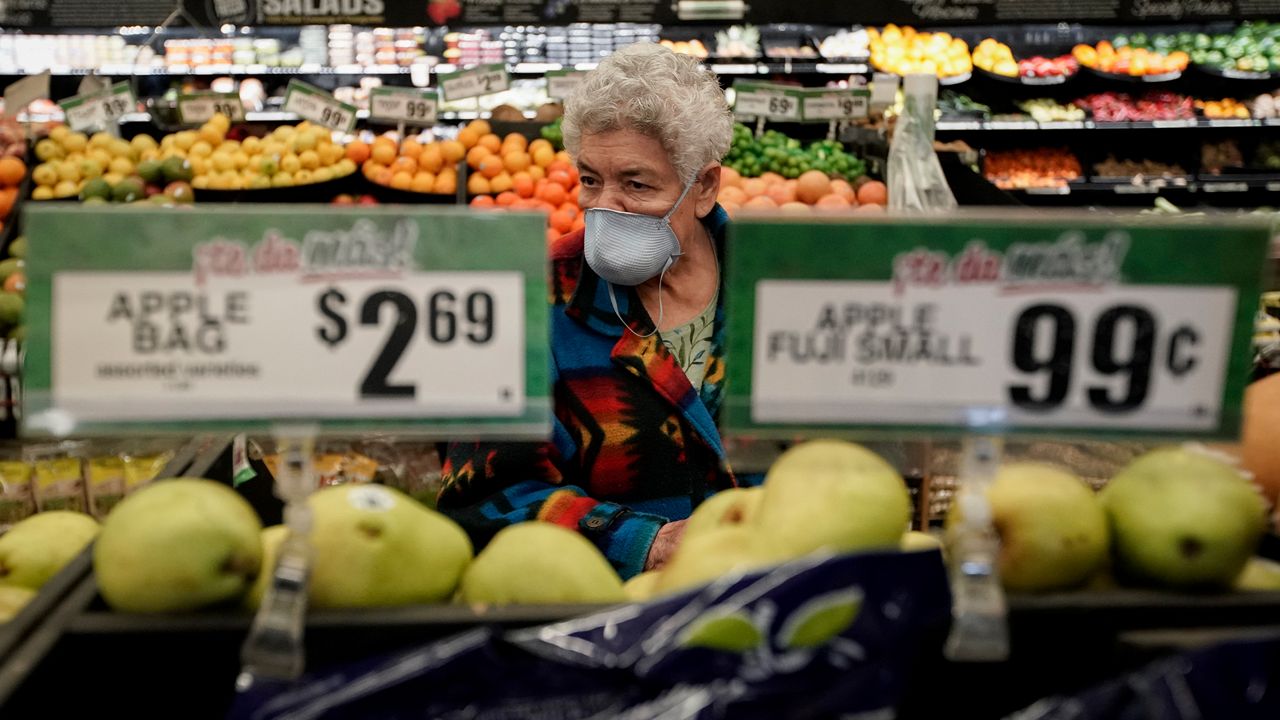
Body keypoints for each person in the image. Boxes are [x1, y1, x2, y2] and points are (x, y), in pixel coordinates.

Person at [436, 43, 737, 580]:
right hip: (598, 617)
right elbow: (485, 492)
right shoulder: (534, 297)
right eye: (591, 179)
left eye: (637, 184)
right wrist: (646, 542)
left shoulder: (774, 290)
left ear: (705, 187)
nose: (605, 207)